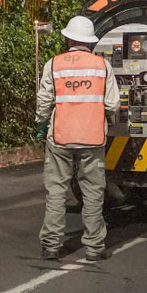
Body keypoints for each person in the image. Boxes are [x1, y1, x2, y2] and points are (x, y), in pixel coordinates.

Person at [35, 16, 118, 262]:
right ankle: (94, 248)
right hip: (93, 140)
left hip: (60, 139)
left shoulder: (54, 64)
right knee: (93, 192)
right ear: (89, 42)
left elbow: (43, 102)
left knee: (56, 192)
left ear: (69, 38)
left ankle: (51, 246)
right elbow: (113, 104)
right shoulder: (103, 66)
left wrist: (41, 124)